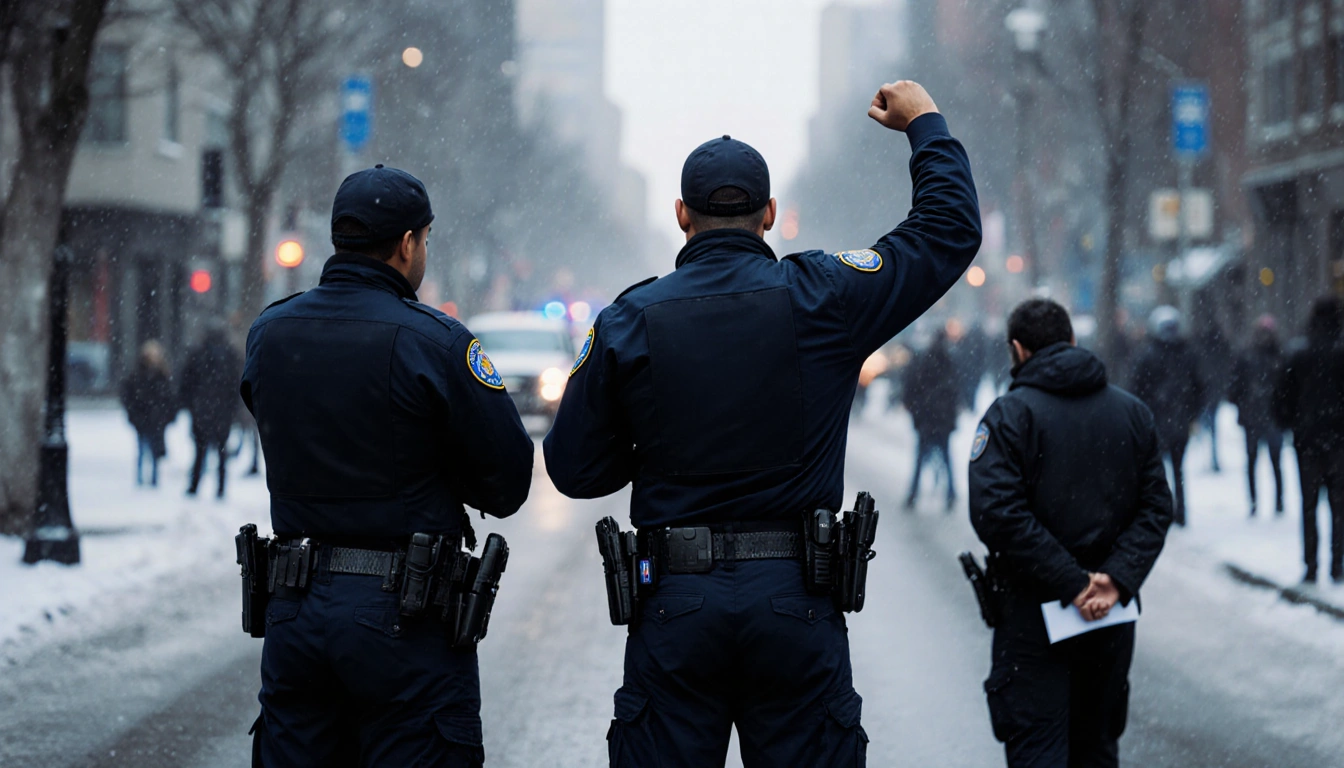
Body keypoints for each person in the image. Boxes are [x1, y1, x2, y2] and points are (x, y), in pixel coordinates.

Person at [545, 80, 980, 767]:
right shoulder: (824, 297)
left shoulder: (630, 319)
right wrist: (925, 124)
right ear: (770, 213)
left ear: (681, 214)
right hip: (794, 604)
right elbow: (948, 232)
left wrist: (662, 435)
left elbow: (573, 469)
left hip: (677, 607)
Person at [240, 165, 534, 766]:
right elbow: (508, 481)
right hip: (405, 616)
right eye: (425, 240)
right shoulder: (439, 343)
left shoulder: (270, 332)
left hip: (295, 608)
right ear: (407, 244)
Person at [968, 298, 1173, 768]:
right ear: (1073, 341)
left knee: (1038, 750)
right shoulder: (1132, 412)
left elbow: (997, 513)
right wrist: (1113, 579)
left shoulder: (1009, 416)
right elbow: (1158, 507)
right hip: (1109, 619)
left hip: (1033, 614)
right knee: (1096, 749)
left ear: (1017, 350)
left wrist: (1071, 583)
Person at [1274, 296, 1344, 583]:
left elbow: (1281, 397)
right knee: (1339, 507)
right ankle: (1337, 564)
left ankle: (1311, 565)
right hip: (1340, 441)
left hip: (1308, 441)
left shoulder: (1298, 353)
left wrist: (1292, 424)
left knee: (1309, 505)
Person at [1129, 306, 1205, 525]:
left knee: (1161, 472)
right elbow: (1199, 387)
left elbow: (1136, 389)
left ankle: (1169, 512)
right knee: (1175, 470)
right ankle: (1177, 511)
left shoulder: (1148, 355)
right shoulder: (1184, 354)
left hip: (1163, 423)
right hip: (1173, 422)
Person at [1228, 315, 1285, 517]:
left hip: (1263, 416)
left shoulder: (1255, 355)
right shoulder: (1277, 355)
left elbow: (1234, 388)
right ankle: (1273, 501)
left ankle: (1262, 501)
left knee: (1260, 461)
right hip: (1267, 416)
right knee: (1270, 461)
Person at [180, 322, 242, 498]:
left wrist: (191, 405)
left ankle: (195, 485)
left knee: (200, 452)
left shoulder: (198, 354)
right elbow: (236, 385)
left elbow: (187, 383)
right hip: (222, 412)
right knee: (221, 453)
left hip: (202, 410)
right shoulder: (230, 355)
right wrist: (233, 408)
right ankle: (221, 487)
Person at [903, 331, 961, 511]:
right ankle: (950, 494)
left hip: (927, 419)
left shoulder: (924, 361)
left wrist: (917, 413)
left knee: (920, 459)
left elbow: (912, 389)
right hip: (941, 420)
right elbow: (954, 392)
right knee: (945, 458)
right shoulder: (949, 362)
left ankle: (913, 495)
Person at [119, 340, 176, 487]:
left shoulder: (162, 374)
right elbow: (128, 394)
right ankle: (140, 478)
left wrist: (167, 414)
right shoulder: (138, 374)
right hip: (143, 417)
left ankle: (154, 478)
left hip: (156, 418)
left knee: (154, 450)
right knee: (142, 448)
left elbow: (169, 396)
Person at [1195, 319, 1233, 473]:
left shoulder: (1202, 348)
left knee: (1207, 427)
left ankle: (1210, 458)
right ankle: (1212, 458)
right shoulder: (1220, 349)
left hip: (1206, 393)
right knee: (1211, 428)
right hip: (1211, 393)